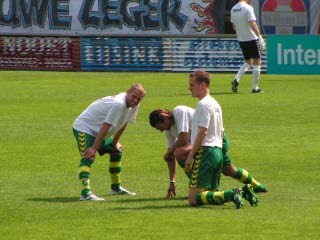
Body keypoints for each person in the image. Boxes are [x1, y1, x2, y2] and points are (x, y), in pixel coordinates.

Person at [149, 106, 267, 199]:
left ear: (164, 117)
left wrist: (170, 152)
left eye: (160, 127)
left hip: (215, 139)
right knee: (229, 170)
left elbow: (183, 138)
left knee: (179, 153)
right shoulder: (169, 130)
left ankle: (201, 187)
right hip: (208, 142)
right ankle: (258, 186)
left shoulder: (179, 111)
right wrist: (172, 182)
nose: (161, 130)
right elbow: (170, 158)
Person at [184, 70, 258, 208]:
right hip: (217, 151)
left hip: (205, 152)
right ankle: (243, 191)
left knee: (193, 199)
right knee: (211, 193)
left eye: (192, 84)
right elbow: (221, 132)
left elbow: (203, 132)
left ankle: (233, 193)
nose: (189, 88)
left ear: (202, 84)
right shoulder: (215, 104)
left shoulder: (203, 104)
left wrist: (190, 156)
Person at [72, 83, 146, 201]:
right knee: (88, 157)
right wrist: (94, 148)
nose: (136, 100)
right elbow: (105, 126)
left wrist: (115, 142)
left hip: (99, 131)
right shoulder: (118, 104)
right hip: (85, 128)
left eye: (139, 99)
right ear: (128, 91)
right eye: (134, 96)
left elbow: (124, 122)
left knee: (116, 151)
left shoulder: (134, 105)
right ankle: (85, 193)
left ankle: (115, 188)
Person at [231, 0, 266, 93]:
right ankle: (255, 88)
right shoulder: (248, 8)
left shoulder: (233, 9)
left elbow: (234, 27)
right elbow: (253, 23)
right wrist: (260, 37)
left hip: (241, 39)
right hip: (251, 39)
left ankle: (236, 79)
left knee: (248, 61)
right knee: (257, 62)